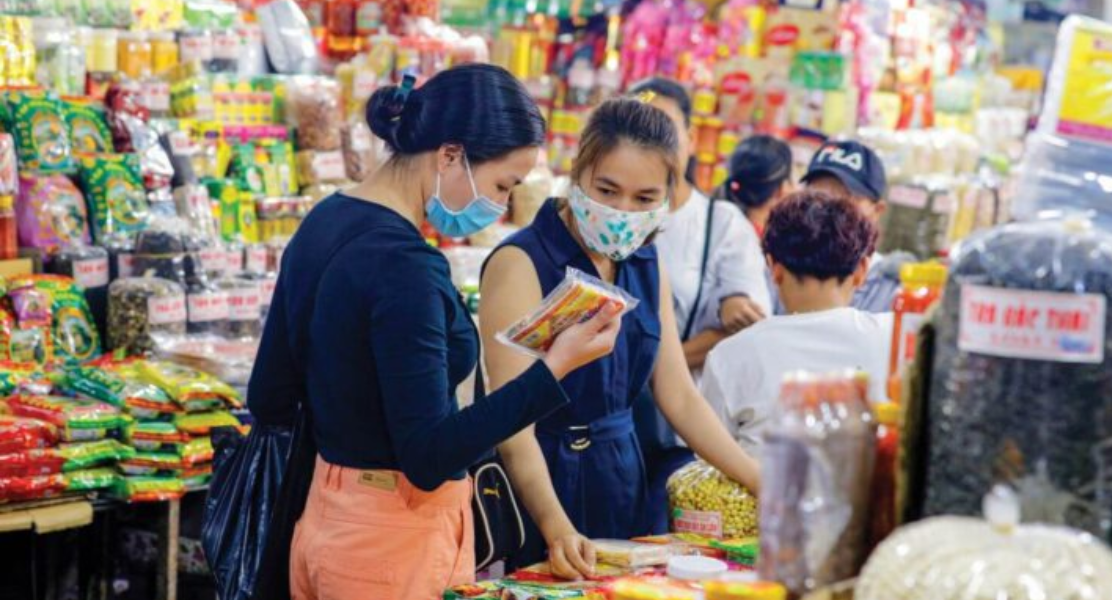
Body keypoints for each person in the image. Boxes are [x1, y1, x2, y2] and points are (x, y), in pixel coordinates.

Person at [247, 64, 623, 600]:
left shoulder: (324, 220)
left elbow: (269, 395)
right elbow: (429, 457)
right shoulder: (406, 267)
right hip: (390, 548)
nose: (497, 207)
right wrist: (554, 367)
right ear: (450, 155)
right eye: (501, 185)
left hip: (322, 524)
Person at [478, 96, 760, 579]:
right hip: (539, 479)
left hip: (622, 473)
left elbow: (680, 398)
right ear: (578, 171)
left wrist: (761, 481)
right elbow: (512, 426)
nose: (621, 210)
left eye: (644, 198)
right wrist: (556, 526)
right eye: (606, 190)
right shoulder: (520, 262)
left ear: (670, 194)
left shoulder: (648, 265)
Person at [626, 78, 771, 533]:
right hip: (603, 433)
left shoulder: (720, 224)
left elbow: (742, 328)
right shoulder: (609, 222)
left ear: (690, 138)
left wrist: (641, 360)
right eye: (638, 126)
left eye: (665, 128)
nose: (651, 142)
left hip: (680, 438)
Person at [700, 191, 893, 457]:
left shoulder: (730, 355)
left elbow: (708, 463)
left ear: (774, 269)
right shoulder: (893, 338)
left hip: (763, 495)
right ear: (861, 271)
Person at [798, 139, 913, 313]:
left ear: (877, 210)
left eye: (845, 199)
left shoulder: (892, 290)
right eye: (817, 196)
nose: (827, 211)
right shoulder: (781, 268)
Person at [722, 135, 797, 238]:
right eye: (792, 180)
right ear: (781, 189)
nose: (796, 189)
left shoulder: (723, 226)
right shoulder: (767, 246)